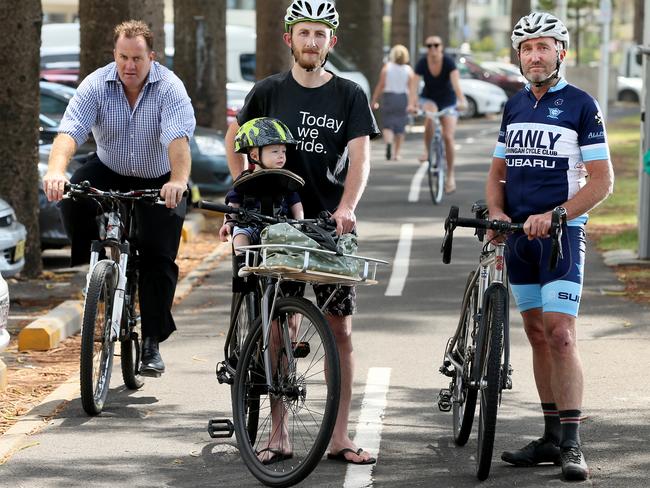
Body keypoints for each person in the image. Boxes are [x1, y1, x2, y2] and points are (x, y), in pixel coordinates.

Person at [225, 0, 380, 465]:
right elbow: (236, 139)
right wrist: (242, 199)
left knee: (340, 329)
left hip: (327, 228)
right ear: (288, 38)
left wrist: (347, 207)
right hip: (278, 225)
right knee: (278, 324)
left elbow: (360, 156)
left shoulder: (349, 94)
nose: (311, 42)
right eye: (303, 33)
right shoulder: (267, 91)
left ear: (332, 42)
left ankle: (339, 436)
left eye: (320, 34)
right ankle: (279, 434)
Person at [486, 12, 614, 481]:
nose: (534, 56)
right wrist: (497, 212)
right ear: (518, 56)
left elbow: (602, 182)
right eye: (526, 48)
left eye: (543, 47)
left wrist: (558, 214)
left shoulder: (582, 104)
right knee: (536, 334)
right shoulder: (514, 105)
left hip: (561, 237)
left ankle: (573, 444)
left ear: (562, 52)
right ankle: (549, 437)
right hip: (519, 238)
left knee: (561, 333)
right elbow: (498, 170)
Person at [43, 20, 196, 378]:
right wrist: (55, 171)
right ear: (114, 55)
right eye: (123, 57)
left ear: (151, 57)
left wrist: (177, 181)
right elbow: (70, 131)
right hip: (109, 167)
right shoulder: (96, 84)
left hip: (158, 176)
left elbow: (178, 142)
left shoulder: (169, 88)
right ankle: (94, 265)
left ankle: (151, 342)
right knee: (73, 193)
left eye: (138, 58)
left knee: (158, 256)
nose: (130, 66)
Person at [218, 117, 304, 254]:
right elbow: (233, 204)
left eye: (284, 151)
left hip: (278, 227)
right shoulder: (245, 180)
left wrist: (300, 222)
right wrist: (228, 223)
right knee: (239, 236)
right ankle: (243, 263)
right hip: (249, 225)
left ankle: (277, 268)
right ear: (255, 156)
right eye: (275, 151)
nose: (281, 156)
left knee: (288, 244)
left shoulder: (286, 179)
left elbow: (296, 203)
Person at [410, 35, 467, 194]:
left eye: (436, 45)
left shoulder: (448, 62)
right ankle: (427, 152)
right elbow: (413, 86)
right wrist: (411, 104)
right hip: (429, 98)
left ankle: (450, 176)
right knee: (430, 115)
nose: (433, 48)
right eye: (429, 46)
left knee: (448, 136)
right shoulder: (422, 63)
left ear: (441, 47)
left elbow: (456, 85)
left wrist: (462, 101)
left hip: (448, 100)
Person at [370, 44, 416, 161]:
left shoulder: (387, 68)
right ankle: (396, 153)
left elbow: (381, 85)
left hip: (389, 97)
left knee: (388, 124)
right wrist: (412, 104)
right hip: (402, 98)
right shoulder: (408, 70)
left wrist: (374, 100)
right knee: (400, 126)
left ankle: (389, 142)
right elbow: (411, 89)